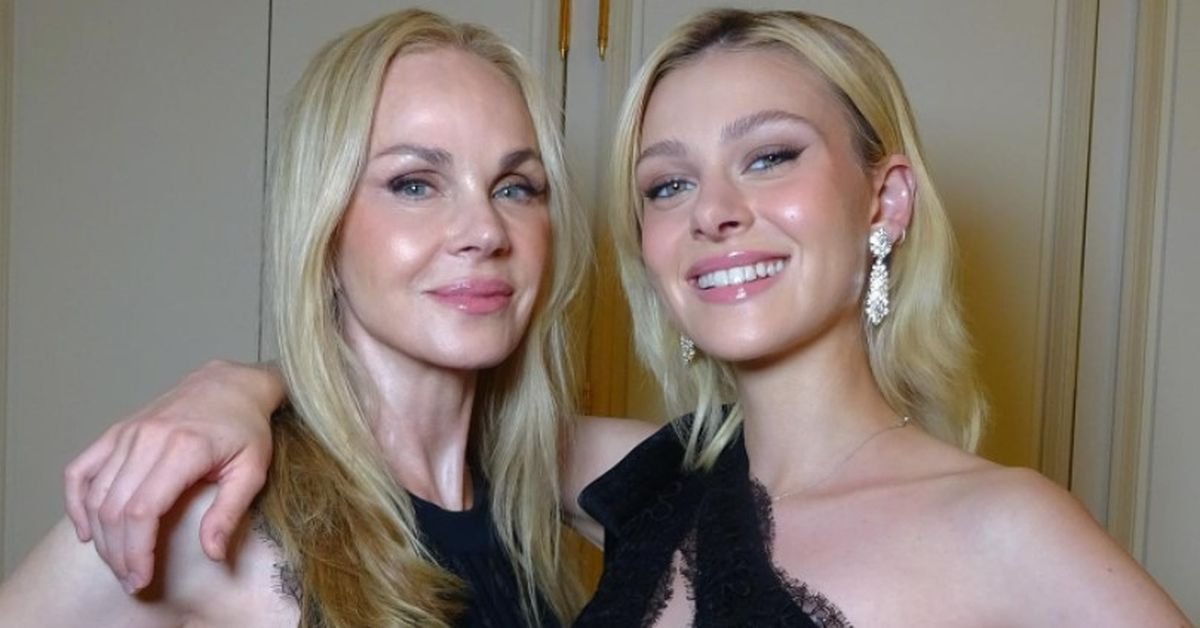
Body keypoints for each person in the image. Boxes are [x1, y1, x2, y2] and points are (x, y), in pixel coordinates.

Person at [56, 9, 1189, 626]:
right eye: (667, 183)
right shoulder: (645, 486)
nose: (715, 213)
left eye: (771, 157)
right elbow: (401, 433)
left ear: (883, 201)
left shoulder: (1000, 527)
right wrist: (237, 388)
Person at [0, 9, 587, 627]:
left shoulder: (536, 494)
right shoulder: (210, 516)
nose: (486, 231)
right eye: (415, 184)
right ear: (324, 230)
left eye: (515, 187)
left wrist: (248, 382)